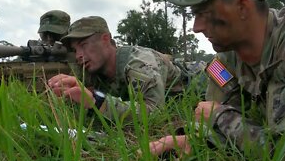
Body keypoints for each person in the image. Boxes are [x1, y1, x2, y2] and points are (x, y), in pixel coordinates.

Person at [150, 0, 285, 159]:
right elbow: (212, 124)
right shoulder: (223, 62)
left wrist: (221, 118)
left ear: (242, 7)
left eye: (203, 13)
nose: (196, 27)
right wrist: (192, 140)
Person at [48, 16, 184, 121]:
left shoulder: (139, 63)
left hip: (198, 84)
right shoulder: (92, 69)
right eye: (75, 49)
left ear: (105, 39)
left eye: (83, 45)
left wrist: (96, 101)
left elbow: (155, 113)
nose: (79, 55)